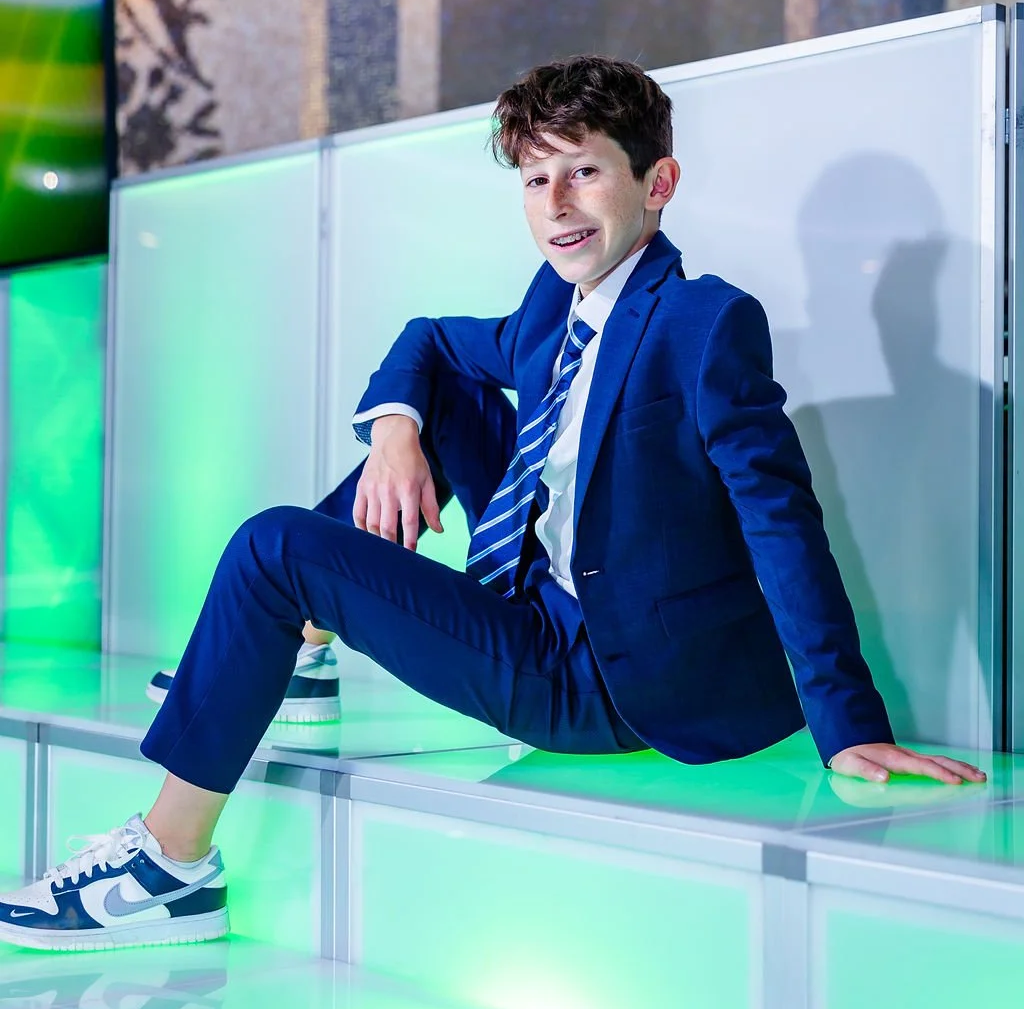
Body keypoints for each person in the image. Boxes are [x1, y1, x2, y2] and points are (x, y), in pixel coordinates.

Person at [0, 56, 985, 951]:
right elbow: (429, 340)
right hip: (522, 608)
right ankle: (289, 653)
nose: (555, 202)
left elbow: (781, 519)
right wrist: (393, 432)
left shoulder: (702, 321)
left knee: (272, 549)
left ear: (657, 184)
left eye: (584, 171)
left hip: (598, 677)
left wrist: (847, 722)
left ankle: (172, 864)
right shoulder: (553, 306)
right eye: (532, 178)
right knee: (434, 402)